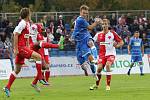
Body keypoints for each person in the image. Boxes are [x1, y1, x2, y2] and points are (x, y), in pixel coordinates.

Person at [3, 8, 47, 97]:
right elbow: (15, 34)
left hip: (23, 47)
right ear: (27, 15)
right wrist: (15, 49)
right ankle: (40, 77)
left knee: (17, 70)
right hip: (20, 48)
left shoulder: (27, 24)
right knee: (38, 57)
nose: (30, 15)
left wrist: (27, 46)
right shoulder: (22, 23)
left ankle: (7, 87)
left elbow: (25, 36)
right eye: (30, 13)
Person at [90, 19, 124, 91]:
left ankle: (108, 85)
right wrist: (90, 45)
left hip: (111, 53)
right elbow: (91, 42)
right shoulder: (98, 34)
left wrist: (117, 46)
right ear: (101, 25)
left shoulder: (112, 33)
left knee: (108, 65)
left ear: (108, 25)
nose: (104, 25)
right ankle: (96, 85)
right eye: (103, 24)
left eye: (106, 24)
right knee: (99, 69)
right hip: (102, 55)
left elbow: (121, 42)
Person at [72, 5, 101, 77]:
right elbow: (90, 27)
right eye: (83, 13)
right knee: (83, 64)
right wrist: (96, 22)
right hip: (79, 41)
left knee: (90, 43)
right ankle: (86, 70)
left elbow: (87, 28)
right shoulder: (80, 20)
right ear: (80, 12)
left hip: (85, 37)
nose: (85, 15)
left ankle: (95, 61)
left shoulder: (81, 20)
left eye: (86, 13)